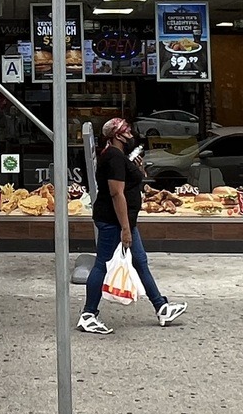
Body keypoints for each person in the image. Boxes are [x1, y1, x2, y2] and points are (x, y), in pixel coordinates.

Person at [77, 118, 186, 334]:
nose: (131, 135)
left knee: (140, 262)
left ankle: (161, 307)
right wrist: (125, 228)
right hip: (114, 222)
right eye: (127, 132)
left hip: (123, 221)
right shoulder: (114, 157)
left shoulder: (117, 156)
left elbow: (128, 183)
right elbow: (117, 193)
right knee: (102, 264)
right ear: (117, 136)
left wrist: (137, 168)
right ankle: (88, 315)